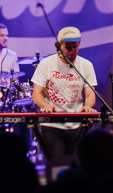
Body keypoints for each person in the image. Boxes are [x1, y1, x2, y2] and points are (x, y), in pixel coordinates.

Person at [32, 26, 97, 160]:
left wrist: (87, 106)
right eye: (68, 47)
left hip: (77, 123)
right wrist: (46, 106)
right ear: (59, 46)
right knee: (58, 163)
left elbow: (90, 94)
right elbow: (36, 94)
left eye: (76, 46)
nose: (72, 51)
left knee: (76, 164)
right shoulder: (46, 64)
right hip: (52, 124)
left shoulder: (86, 65)